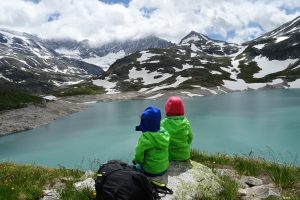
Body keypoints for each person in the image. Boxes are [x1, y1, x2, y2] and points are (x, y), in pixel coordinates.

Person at [133, 106, 170, 177]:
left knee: (136, 166)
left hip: (150, 171)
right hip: (165, 168)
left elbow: (138, 158)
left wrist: (137, 162)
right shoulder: (165, 134)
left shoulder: (144, 139)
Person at [161, 96, 193, 161]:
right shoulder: (186, 122)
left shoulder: (163, 123)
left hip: (169, 155)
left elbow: (161, 140)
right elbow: (190, 138)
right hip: (184, 155)